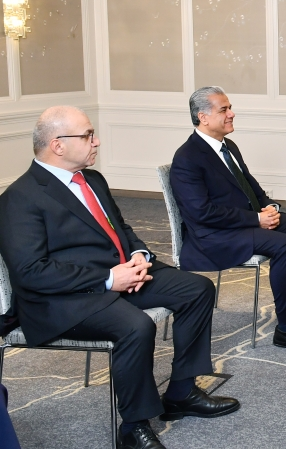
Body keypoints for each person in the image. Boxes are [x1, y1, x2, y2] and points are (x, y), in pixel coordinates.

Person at [0, 107, 239, 449]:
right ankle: (133, 428)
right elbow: (30, 272)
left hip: (118, 275)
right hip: (64, 298)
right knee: (135, 326)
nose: (97, 141)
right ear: (58, 145)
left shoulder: (92, 179)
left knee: (197, 288)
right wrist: (109, 279)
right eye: (88, 135)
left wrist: (139, 254)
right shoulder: (20, 198)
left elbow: (120, 227)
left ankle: (181, 393)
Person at [170, 87, 286, 353]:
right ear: (203, 117)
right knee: (283, 244)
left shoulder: (228, 146)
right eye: (224, 109)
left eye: (230, 107)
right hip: (213, 235)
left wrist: (270, 207)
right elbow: (202, 213)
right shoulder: (187, 158)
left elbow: (250, 187)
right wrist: (256, 219)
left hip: (243, 222)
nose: (232, 114)